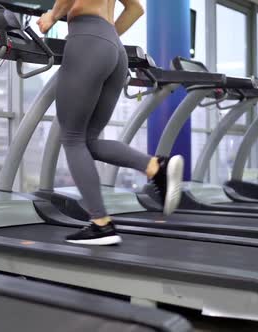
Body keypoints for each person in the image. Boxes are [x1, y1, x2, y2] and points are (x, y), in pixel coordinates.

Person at [37, 0, 184, 246]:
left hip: (86, 39)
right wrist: (106, 36)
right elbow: (136, 9)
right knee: (88, 141)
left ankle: (101, 224)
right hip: (114, 47)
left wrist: (52, 16)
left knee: (72, 138)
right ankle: (155, 167)